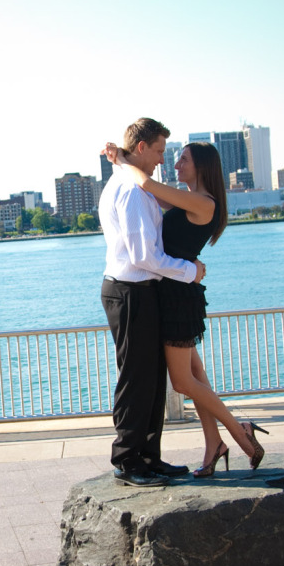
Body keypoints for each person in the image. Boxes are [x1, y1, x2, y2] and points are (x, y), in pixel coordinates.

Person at [107, 140, 268, 477]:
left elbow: (147, 184)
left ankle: (240, 432)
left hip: (179, 300)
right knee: (197, 378)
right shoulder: (189, 199)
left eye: (183, 159)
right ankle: (214, 445)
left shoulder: (203, 203)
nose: (176, 164)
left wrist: (123, 158)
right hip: (169, 293)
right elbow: (145, 190)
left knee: (182, 383)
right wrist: (120, 162)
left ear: (202, 166)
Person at [99, 118, 206, 487]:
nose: (163, 159)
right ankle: (127, 460)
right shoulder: (130, 190)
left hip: (140, 290)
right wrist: (190, 271)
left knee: (152, 378)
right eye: (160, 150)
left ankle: (149, 456)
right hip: (130, 290)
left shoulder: (134, 184)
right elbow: (145, 256)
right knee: (136, 378)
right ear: (142, 148)